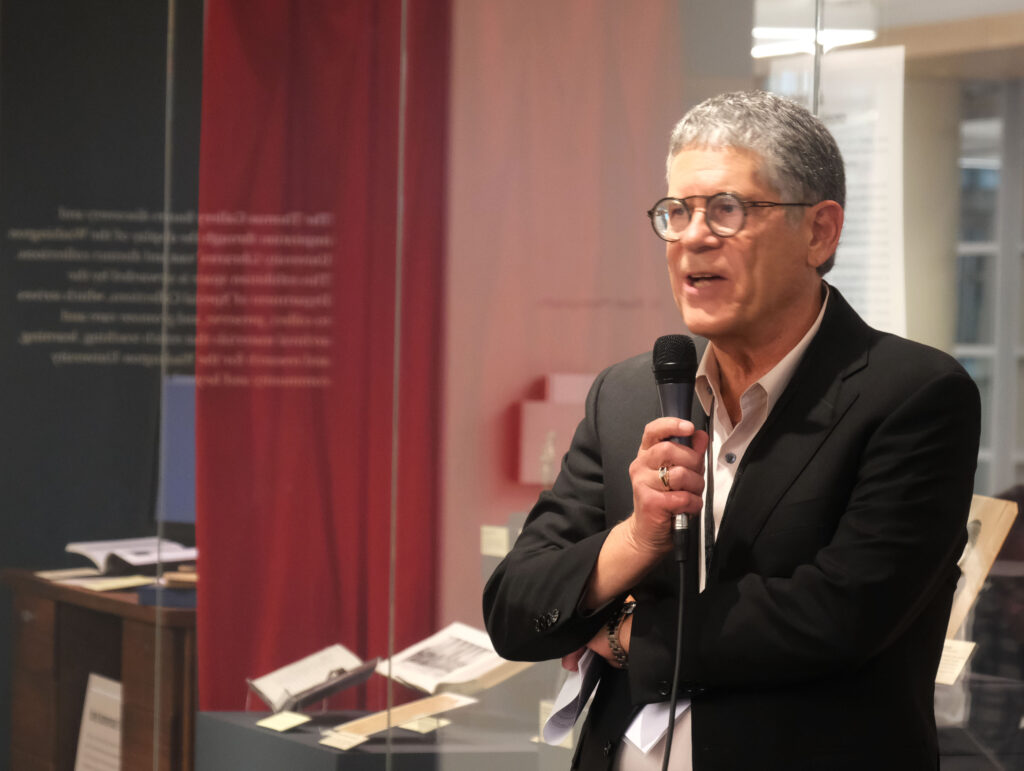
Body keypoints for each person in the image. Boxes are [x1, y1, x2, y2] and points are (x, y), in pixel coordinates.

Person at [482, 90, 981, 770]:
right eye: (676, 212)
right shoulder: (627, 395)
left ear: (819, 232)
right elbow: (516, 606)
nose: (691, 236)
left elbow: (834, 616)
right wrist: (635, 540)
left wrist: (626, 634)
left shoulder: (912, 394)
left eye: (726, 209)